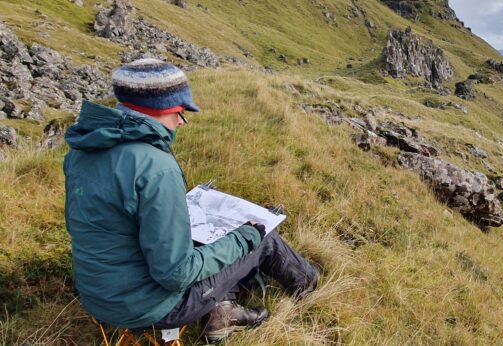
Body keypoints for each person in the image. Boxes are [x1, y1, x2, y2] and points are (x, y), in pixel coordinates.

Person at [63, 58, 318, 341]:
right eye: (181, 112)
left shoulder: (80, 151)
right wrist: (244, 238)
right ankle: (308, 285)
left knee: (213, 244)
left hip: (96, 295)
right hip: (152, 308)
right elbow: (176, 274)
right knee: (261, 237)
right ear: (160, 110)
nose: (182, 122)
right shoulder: (155, 166)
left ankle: (223, 311)